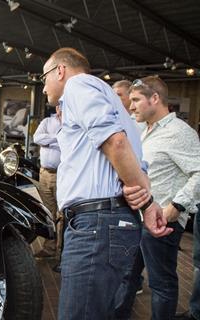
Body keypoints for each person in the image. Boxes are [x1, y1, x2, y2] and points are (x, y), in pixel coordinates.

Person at [40, 47, 171, 320]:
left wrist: (147, 205)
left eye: (44, 78)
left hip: (95, 226)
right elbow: (137, 162)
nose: (43, 88)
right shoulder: (113, 102)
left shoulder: (77, 86)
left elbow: (116, 142)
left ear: (60, 71)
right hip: (109, 223)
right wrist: (146, 198)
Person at [117, 76, 200, 320]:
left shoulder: (180, 132)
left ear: (155, 98)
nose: (131, 107)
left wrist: (177, 206)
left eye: (135, 100)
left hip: (163, 221)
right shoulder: (142, 130)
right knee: (128, 278)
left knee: (161, 284)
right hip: (136, 218)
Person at [33, 105, 62, 258]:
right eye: (58, 105)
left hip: (62, 175)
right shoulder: (47, 122)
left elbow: (68, 144)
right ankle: (50, 248)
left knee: (62, 214)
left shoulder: (71, 124)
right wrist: (57, 139)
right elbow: (37, 138)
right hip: (44, 173)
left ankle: (62, 251)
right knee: (49, 212)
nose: (59, 108)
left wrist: (48, 140)